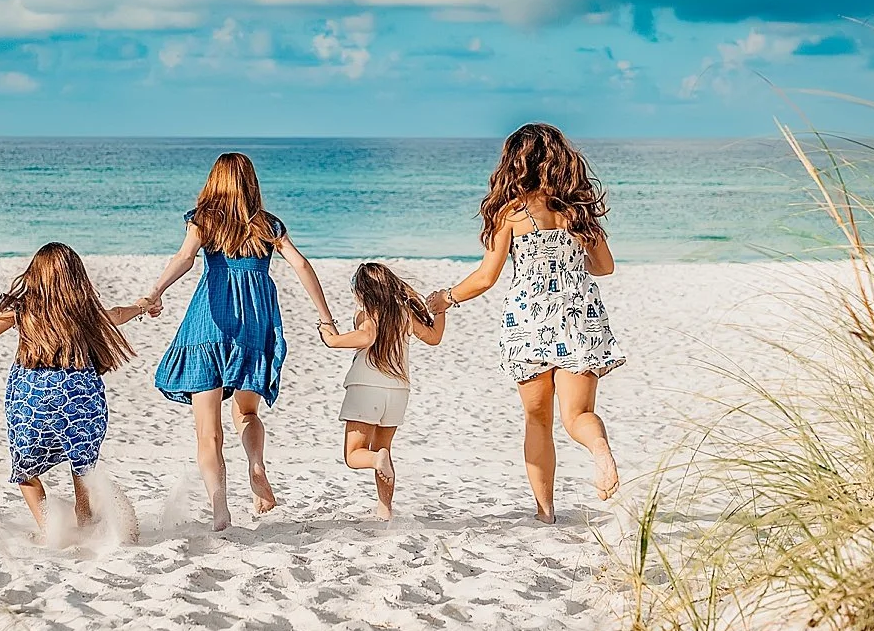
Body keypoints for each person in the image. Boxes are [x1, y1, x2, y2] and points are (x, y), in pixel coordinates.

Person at [431, 123, 624, 521]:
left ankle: (545, 511)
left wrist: (445, 299)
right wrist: (571, 263)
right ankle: (600, 450)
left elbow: (486, 277)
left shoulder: (511, 213)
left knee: (537, 420)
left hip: (529, 322)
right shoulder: (578, 210)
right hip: (578, 318)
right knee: (578, 416)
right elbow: (604, 267)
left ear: (514, 163)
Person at [146, 151, 334, 531]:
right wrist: (325, 318)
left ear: (214, 182)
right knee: (247, 413)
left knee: (208, 432)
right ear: (251, 184)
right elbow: (300, 264)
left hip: (208, 326)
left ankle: (220, 510)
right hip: (255, 326)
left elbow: (184, 258)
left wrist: (155, 292)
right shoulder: (268, 226)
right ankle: (256, 464)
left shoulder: (203, 221)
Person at [0, 242, 150, 538]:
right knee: (82, 464)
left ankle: (49, 529)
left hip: (34, 399)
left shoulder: (24, 309)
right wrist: (142, 307)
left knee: (26, 472)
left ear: (35, 274)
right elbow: (117, 314)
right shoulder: (83, 310)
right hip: (81, 397)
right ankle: (84, 517)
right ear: (76, 276)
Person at [317, 261, 445, 520]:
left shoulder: (366, 314)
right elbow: (434, 338)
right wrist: (441, 311)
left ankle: (377, 461)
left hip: (366, 389)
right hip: (398, 392)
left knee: (354, 455)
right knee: (383, 448)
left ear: (363, 291)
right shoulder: (405, 314)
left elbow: (366, 337)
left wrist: (332, 340)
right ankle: (385, 509)